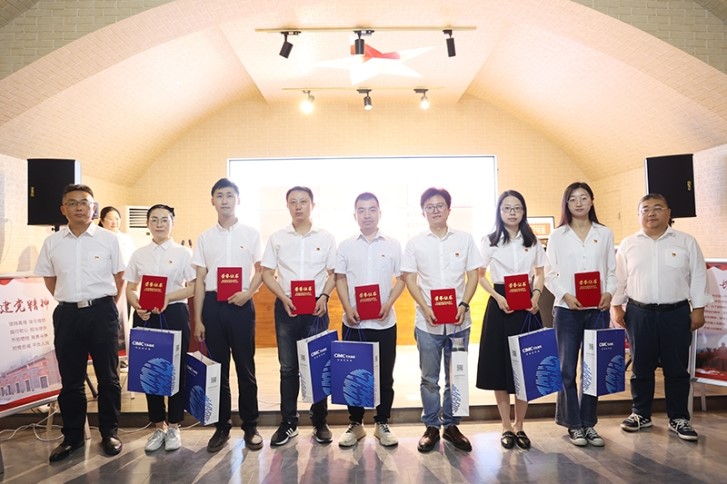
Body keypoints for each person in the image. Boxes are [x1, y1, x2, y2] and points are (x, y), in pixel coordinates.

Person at [35, 184, 125, 462]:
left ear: (93, 207)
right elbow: (49, 278)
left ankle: (110, 433)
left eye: (84, 202)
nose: (79, 207)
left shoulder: (108, 239)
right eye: (72, 203)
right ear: (63, 209)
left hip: (102, 313)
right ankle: (72, 437)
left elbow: (119, 277)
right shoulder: (52, 242)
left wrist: (104, 305)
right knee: (71, 380)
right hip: (68, 316)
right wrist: (71, 301)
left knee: (108, 377)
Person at [611, 193, 711, 441]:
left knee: (676, 368)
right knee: (640, 366)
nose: (651, 213)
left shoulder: (686, 242)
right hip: (639, 313)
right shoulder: (629, 244)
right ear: (639, 214)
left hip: (676, 313)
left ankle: (679, 418)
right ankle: (640, 414)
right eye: (645, 209)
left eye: (657, 208)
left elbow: (699, 276)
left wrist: (698, 308)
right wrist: (616, 306)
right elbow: (619, 278)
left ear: (668, 213)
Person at [401, 187, 482, 453]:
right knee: (429, 378)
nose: (435, 210)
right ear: (423, 212)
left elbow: (473, 275)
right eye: (430, 206)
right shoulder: (415, 243)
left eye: (440, 205)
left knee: (457, 375)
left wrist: (464, 304)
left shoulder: (465, 239)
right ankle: (431, 427)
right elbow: (409, 279)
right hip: (428, 324)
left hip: (459, 322)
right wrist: (425, 308)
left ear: (449, 209)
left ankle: (452, 426)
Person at [261, 186, 337, 447]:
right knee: (288, 368)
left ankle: (320, 422)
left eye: (303, 201)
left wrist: (324, 296)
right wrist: (283, 297)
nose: (298, 206)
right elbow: (266, 273)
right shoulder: (278, 237)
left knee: (319, 365)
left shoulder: (325, 237)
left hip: (316, 308)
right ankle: (289, 423)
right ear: (287, 206)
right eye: (293, 202)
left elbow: (334, 274)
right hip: (287, 308)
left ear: (312, 205)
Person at [192, 178, 264, 452]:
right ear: (212, 200)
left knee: (246, 368)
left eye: (230, 195)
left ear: (238, 200)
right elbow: (200, 279)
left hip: (241, 305)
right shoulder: (204, 237)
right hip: (213, 306)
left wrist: (249, 293)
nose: (225, 200)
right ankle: (221, 426)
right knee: (218, 370)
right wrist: (198, 319)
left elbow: (262, 270)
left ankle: (251, 426)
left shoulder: (251, 233)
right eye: (220, 195)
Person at [545, 181, 616, 447]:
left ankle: (589, 423)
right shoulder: (558, 236)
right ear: (566, 203)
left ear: (592, 201)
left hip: (597, 310)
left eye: (583, 197)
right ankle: (573, 424)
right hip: (567, 310)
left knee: (593, 368)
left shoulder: (604, 233)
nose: (578, 203)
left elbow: (612, 271)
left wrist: (609, 292)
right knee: (566, 368)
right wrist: (565, 295)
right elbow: (550, 274)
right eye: (573, 198)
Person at [476, 190, 546, 450]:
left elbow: (540, 273)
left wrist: (536, 295)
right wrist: (497, 297)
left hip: (527, 305)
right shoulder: (490, 240)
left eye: (517, 208)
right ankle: (506, 426)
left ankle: (520, 426)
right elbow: (480, 275)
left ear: (523, 211)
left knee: (525, 367)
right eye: (507, 208)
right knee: (500, 366)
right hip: (500, 304)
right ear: (499, 212)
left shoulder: (532, 240)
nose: (512, 212)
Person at [335, 192, 406, 448]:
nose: (367, 215)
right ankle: (356, 424)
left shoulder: (393, 245)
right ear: (355, 215)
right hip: (354, 323)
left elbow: (403, 279)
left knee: (385, 376)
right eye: (362, 210)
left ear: (379, 213)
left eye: (372, 209)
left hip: (384, 322)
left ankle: (382, 423)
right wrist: (347, 307)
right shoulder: (345, 245)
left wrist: (389, 303)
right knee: (353, 374)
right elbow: (339, 278)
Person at [124, 204, 195, 452]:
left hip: (174, 313)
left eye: (165, 219)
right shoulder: (139, 254)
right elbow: (130, 287)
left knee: (176, 370)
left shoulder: (183, 253)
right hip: (146, 316)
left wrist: (168, 297)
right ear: (147, 224)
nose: (159, 224)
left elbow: (193, 287)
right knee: (150, 369)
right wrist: (136, 305)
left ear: (172, 223)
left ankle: (174, 425)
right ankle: (158, 426)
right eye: (154, 219)